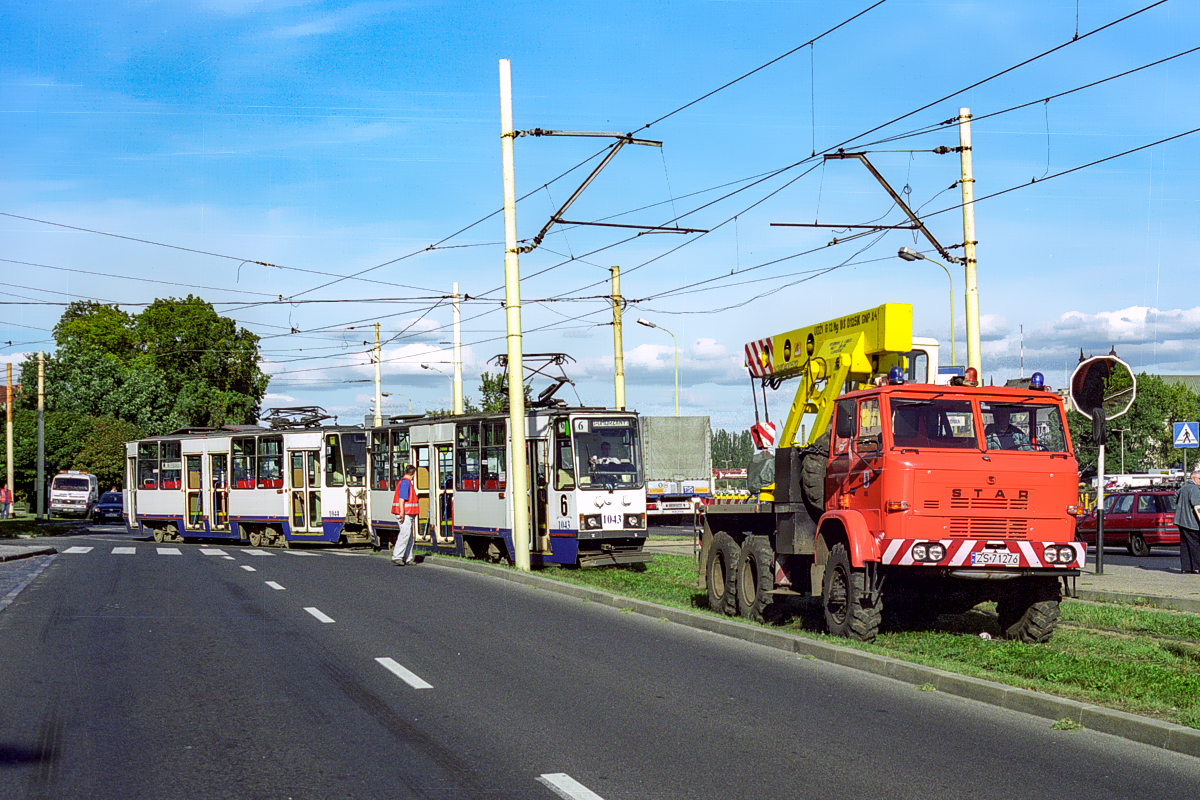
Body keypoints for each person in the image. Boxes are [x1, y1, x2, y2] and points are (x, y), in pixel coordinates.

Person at [391, 465, 419, 566]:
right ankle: (397, 556)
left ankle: (408, 558)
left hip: (408, 513)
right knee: (405, 534)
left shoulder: (404, 482)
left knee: (410, 536)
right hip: (405, 514)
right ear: (413, 474)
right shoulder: (405, 483)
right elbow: (401, 499)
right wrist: (402, 513)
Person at [1173, 468, 1200, 574]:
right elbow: (1197, 507)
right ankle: (1197, 567)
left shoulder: (1183, 488)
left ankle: (1186, 568)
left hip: (1181, 521)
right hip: (1192, 523)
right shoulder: (1195, 489)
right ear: (1193, 478)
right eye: (1199, 478)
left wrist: (1181, 509)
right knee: (1195, 545)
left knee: (1185, 545)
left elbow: (1175, 497)